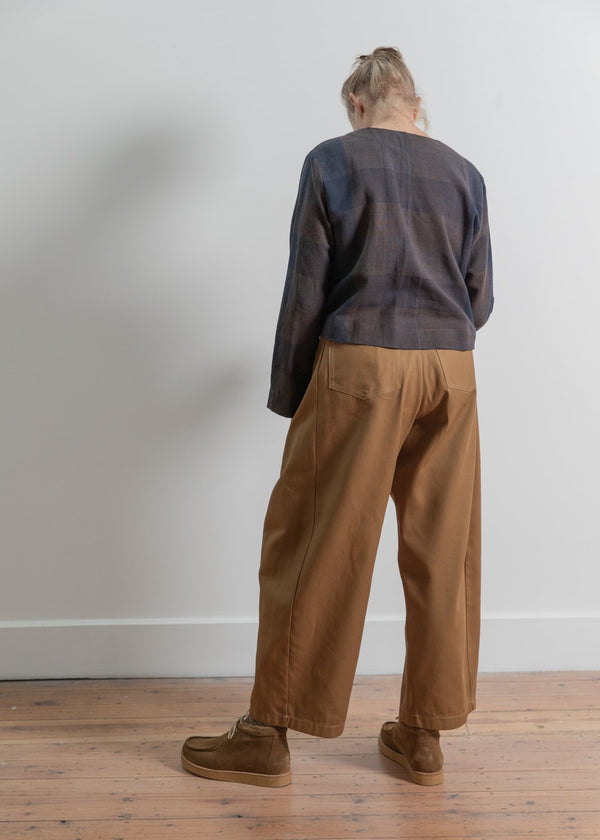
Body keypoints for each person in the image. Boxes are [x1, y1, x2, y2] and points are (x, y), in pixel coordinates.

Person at [181, 46, 494, 788]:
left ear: (359, 102)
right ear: (414, 101)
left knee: (315, 540)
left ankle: (268, 734)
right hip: (452, 372)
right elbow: (479, 297)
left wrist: (293, 395)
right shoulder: (465, 173)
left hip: (361, 366)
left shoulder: (332, 161)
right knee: (443, 554)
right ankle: (423, 737)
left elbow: (306, 293)